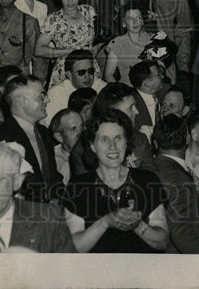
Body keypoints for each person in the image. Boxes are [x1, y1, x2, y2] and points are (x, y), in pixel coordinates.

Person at [61, 108, 169, 252]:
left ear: (126, 142)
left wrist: (137, 225)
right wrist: (106, 221)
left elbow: (162, 242)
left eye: (118, 138)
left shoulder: (147, 180)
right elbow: (72, 248)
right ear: (92, 145)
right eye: (104, 139)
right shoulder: (78, 186)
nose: (113, 146)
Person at [0, 76, 62, 203]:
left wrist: (59, 200)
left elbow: (53, 177)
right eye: (41, 96)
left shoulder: (43, 133)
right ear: (21, 102)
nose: (48, 100)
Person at [152, 114, 199, 253]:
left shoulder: (152, 167)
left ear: (154, 142)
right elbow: (180, 231)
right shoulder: (176, 177)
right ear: (188, 139)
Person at [39, 0, 95, 89]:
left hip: (89, 68)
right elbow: (39, 49)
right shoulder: (54, 19)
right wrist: (70, 52)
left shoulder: (88, 11)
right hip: (66, 71)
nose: (70, 2)